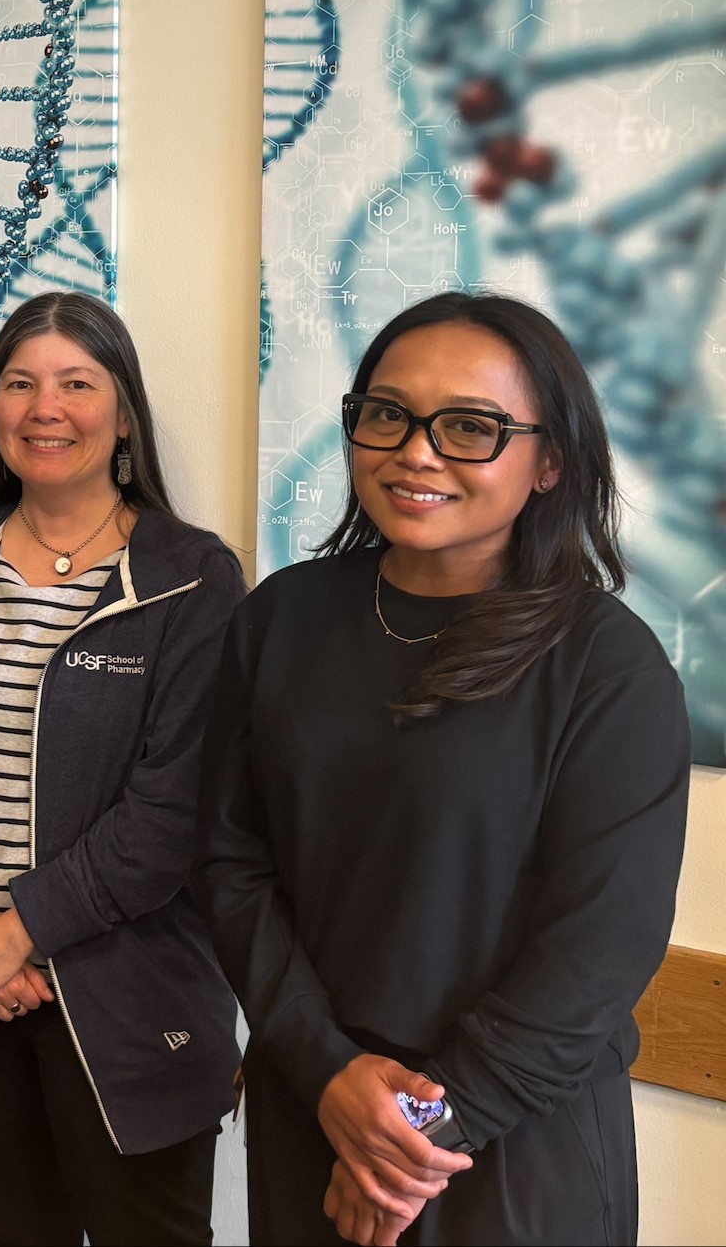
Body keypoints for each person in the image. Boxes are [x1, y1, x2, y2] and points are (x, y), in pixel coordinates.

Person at [195, 292, 688, 1247]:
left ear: (550, 461)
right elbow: (229, 859)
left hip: (504, 1146)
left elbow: (599, 949)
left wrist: (413, 1141)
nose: (415, 451)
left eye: (472, 427)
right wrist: (327, 1073)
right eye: (387, 413)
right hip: (318, 1103)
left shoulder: (605, 665)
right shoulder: (282, 618)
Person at [0, 291, 243, 1245]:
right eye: (20, 383)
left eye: (78, 383)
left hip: (130, 999)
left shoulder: (194, 579)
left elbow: (168, 816)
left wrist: (18, 929)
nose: (46, 408)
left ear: (122, 413)